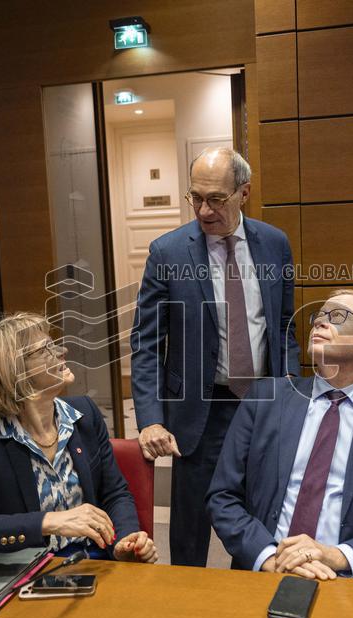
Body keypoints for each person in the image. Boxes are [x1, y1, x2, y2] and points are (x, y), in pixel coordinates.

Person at [131, 146, 301, 567]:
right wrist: (151, 417)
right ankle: (187, 609)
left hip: (263, 402)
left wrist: (291, 392)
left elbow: (284, 328)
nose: (204, 210)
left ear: (243, 192)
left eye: (216, 199)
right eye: (196, 197)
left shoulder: (274, 244)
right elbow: (147, 342)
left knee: (261, 514)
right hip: (198, 410)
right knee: (190, 525)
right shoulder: (167, 253)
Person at [206, 289, 353, 579]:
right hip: (265, 572)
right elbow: (222, 496)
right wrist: (269, 556)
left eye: (337, 316)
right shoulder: (265, 398)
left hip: (346, 581)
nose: (320, 323)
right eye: (319, 316)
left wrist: (336, 556)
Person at [0, 312, 157, 563]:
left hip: (97, 561)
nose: (62, 351)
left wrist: (125, 540)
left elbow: (115, 492)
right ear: (14, 373)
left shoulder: (84, 414)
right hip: (31, 571)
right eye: (46, 349)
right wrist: (47, 521)